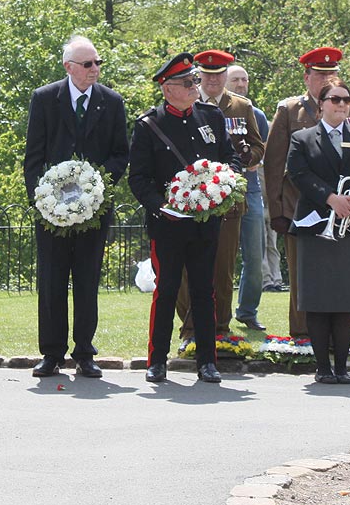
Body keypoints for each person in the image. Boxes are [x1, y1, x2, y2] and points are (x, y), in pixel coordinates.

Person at [128, 53, 241, 383]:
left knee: (205, 291)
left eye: (194, 80)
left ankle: (207, 361)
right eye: (187, 82)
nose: (195, 86)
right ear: (167, 89)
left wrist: (225, 180)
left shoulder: (211, 116)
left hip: (206, 222)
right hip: (169, 224)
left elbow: (229, 157)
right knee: (166, 289)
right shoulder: (150, 124)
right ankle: (157, 360)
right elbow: (140, 178)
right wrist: (161, 206)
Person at [24, 35, 129, 378]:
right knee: (51, 281)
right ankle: (51, 353)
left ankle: (85, 352)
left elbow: (119, 154)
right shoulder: (44, 99)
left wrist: (94, 186)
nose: (94, 69)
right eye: (87, 64)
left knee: (87, 281)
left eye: (98, 63)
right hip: (51, 212)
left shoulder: (111, 102)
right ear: (69, 67)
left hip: (94, 210)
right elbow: (34, 158)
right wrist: (44, 202)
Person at [286, 78, 350, 384]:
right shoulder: (303, 138)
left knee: (346, 298)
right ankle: (322, 368)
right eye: (335, 99)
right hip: (317, 225)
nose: (342, 104)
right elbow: (298, 173)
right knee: (319, 298)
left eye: (346, 100)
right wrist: (331, 198)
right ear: (321, 104)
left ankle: (341, 366)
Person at [265, 47, 350, 341]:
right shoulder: (290, 110)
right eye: (319, 75)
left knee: (338, 275)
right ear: (306, 78)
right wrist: (276, 210)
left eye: (330, 75)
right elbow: (274, 163)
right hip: (299, 207)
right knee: (303, 276)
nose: (324, 80)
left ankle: (335, 339)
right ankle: (303, 336)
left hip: (341, 209)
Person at [175, 50, 265, 342]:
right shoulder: (184, 100)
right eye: (208, 75)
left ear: (226, 75)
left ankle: (220, 330)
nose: (213, 80)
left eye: (218, 74)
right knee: (188, 269)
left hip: (228, 201)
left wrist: (246, 158)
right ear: (198, 75)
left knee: (223, 269)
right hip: (191, 199)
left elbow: (258, 146)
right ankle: (191, 329)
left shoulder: (240, 106)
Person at [226, 63, 270, 330]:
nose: (241, 84)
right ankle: (217, 313)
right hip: (219, 190)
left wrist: (252, 157)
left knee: (256, 256)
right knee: (221, 257)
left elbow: (259, 153)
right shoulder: (213, 111)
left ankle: (247, 311)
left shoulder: (257, 115)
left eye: (245, 79)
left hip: (250, 190)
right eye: (236, 80)